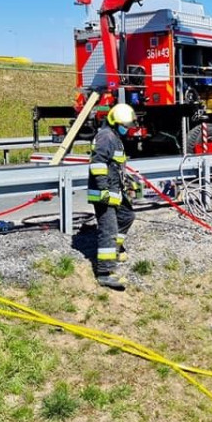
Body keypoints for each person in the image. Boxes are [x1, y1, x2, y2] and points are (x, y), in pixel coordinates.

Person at [88, 104, 138, 290]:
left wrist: (129, 181)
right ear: (115, 122)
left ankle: (115, 250)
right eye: (125, 124)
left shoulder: (114, 137)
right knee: (108, 230)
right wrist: (103, 190)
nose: (127, 128)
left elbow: (115, 166)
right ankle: (105, 273)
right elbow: (97, 165)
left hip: (115, 191)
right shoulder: (106, 137)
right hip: (104, 193)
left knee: (127, 216)